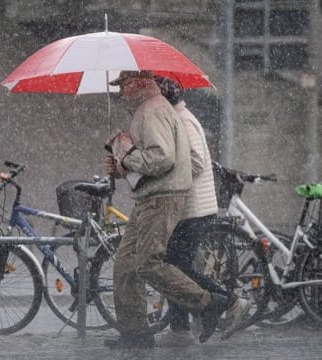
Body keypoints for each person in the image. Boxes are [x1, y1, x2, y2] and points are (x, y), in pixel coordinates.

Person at [103, 70, 240, 349]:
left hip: (160, 198)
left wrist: (127, 158)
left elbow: (162, 157)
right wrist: (121, 166)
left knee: (148, 265)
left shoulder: (152, 110)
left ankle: (209, 304)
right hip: (149, 196)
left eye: (124, 85)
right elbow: (154, 159)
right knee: (126, 266)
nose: (120, 93)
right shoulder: (147, 110)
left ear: (141, 83)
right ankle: (136, 334)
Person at [153, 76, 251, 347]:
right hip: (189, 207)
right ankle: (180, 327)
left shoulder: (182, 121)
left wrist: (168, 176)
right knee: (173, 265)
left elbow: (195, 161)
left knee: (176, 267)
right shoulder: (178, 117)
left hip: (193, 208)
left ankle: (229, 302)